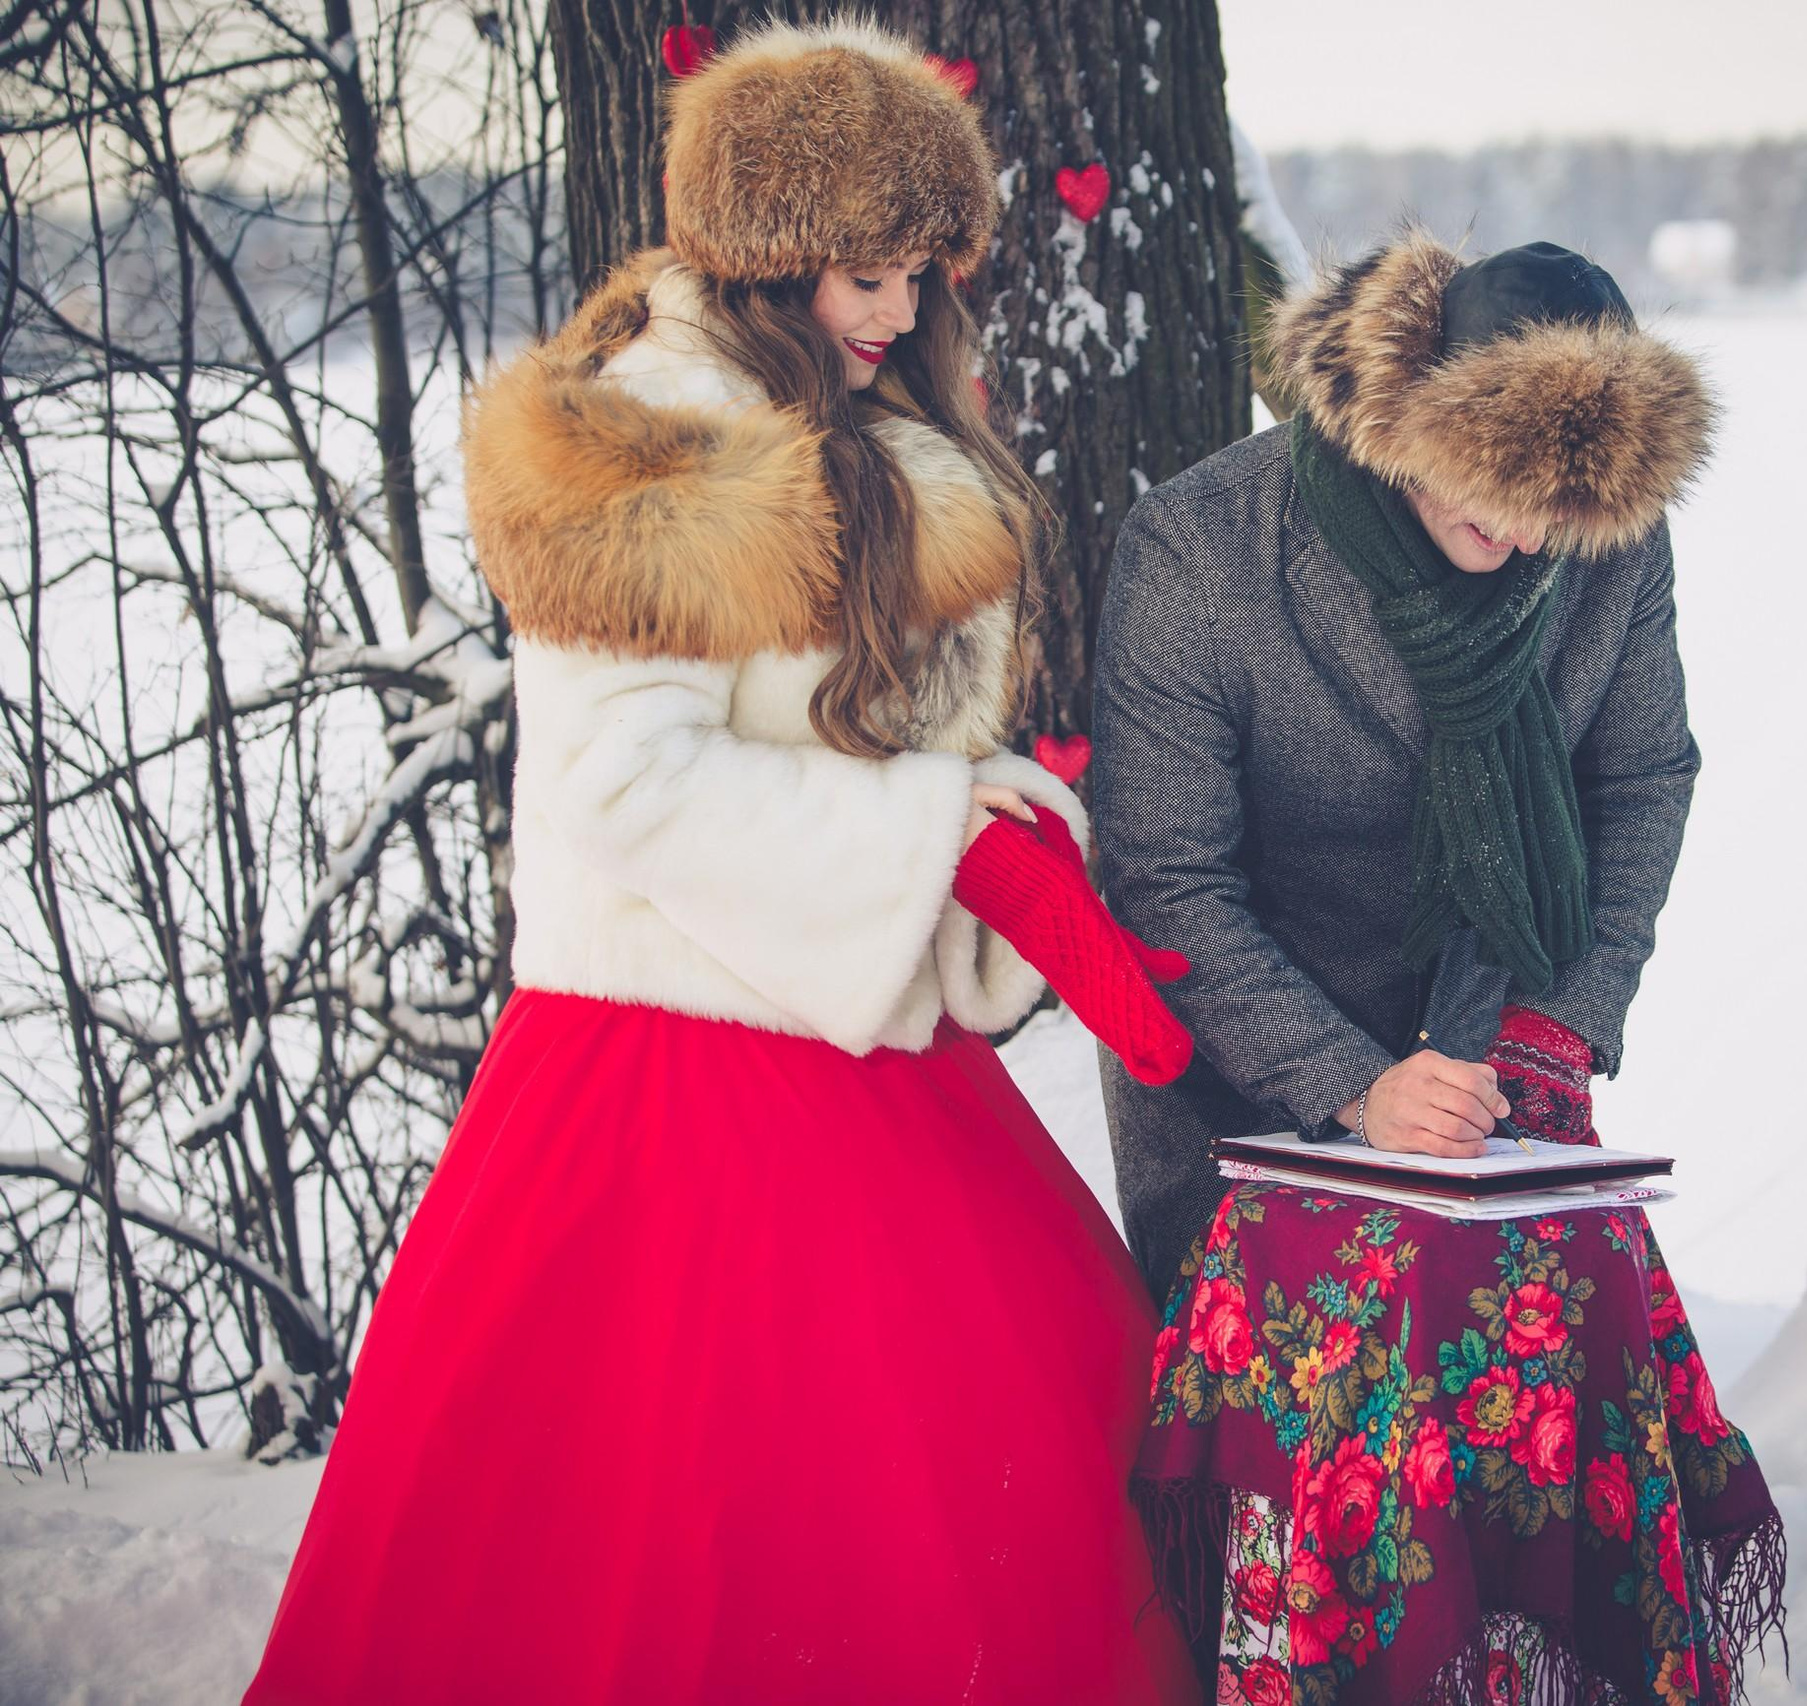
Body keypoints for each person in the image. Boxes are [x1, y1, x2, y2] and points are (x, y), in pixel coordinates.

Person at [247, 19, 1193, 1703]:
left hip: (845, 1028)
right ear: (764, 257)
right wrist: (924, 835)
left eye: (919, 270)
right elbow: (622, 781)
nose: (900, 314)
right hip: (665, 1077)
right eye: (863, 273)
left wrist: (983, 828)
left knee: (1012, 1411)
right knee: (689, 1527)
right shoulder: (659, 437)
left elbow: (851, 745)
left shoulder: (853, 420)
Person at [1094, 231, 1711, 1303]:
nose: (1527, 535)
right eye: (1499, 484)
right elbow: (1165, 875)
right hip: (1249, 1081)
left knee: (1511, 1436)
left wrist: (1555, 1028)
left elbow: (1643, 776)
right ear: (1411, 417)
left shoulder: (1605, 536)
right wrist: (1352, 1087)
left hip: (1494, 1072)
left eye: (1559, 508)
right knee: (1280, 1445)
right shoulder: (1202, 544)